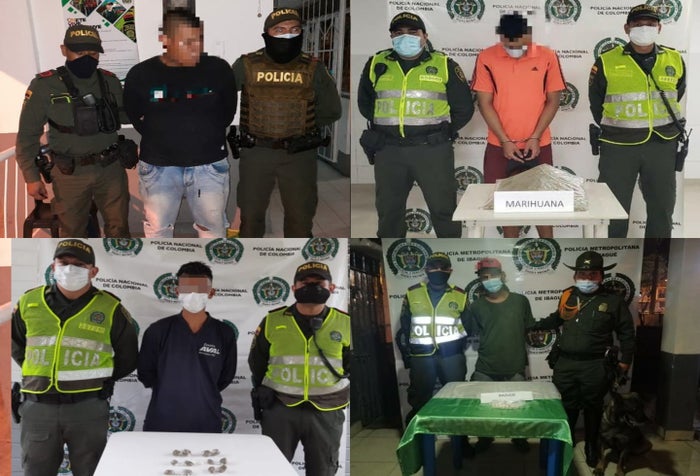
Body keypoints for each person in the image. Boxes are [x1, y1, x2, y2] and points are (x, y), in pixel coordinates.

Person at [11, 239, 138, 476]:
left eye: (79, 264)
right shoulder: (29, 302)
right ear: (53, 266)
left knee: (91, 470)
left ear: (93, 271)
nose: (70, 269)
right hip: (38, 407)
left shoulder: (110, 307)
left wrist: (99, 380)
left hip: (87, 408)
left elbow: (128, 357)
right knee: (35, 471)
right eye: (63, 262)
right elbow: (17, 346)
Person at [357, 11, 474, 238]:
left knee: (443, 209)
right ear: (391, 36)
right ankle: (391, 251)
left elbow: (464, 108)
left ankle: (450, 252)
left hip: (431, 149)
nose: (405, 37)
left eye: (412, 32)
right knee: (389, 211)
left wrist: (442, 132)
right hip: (388, 149)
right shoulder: (377, 63)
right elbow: (365, 103)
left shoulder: (444, 64)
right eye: (398, 33)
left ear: (424, 35)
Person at [124, 10, 237, 238]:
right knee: (158, 231)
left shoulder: (219, 70)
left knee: (212, 231)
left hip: (209, 165)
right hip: (158, 167)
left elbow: (228, 112)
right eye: (187, 42)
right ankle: (161, 263)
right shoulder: (141, 74)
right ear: (165, 39)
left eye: (198, 39)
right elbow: (133, 114)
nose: (196, 48)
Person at [231, 8, 342, 238]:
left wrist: (301, 127)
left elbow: (332, 110)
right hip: (257, 152)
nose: (287, 35)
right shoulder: (246, 64)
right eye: (280, 30)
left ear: (301, 33)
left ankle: (296, 259)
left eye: (294, 30)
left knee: (300, 220)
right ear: (267, 34)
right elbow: (223, 97)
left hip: (299, 155)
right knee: (250, 218)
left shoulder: (314, 67)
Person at [16, 24, 132, 237]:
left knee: (119, 228)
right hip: (70, 173)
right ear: (64, 50)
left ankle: (116, 260)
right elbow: (27, 135)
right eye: (79, 52)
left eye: (93, 53)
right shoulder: (45, 86)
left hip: (110, 168)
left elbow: (124, 115)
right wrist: (31, 177)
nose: (87, 58)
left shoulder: (110, 81)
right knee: (72, 231)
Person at [528, 251, 635, 468]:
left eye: (592, 274)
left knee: (593, 407)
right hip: (566, 364)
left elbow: (626, 333)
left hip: (595, 365)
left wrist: (625, 361)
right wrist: (534, 325)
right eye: (582, 274)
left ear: (601, 276)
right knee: (566, 405)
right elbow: (557, 318)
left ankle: (591, 446)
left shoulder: (613, 301)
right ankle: (565, 442)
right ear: (575, 276)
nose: (587, 278)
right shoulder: (568, 296)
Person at [589, 4, 685, 238]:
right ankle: (614, 258)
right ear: (627, 28)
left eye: (650, 24)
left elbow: (677, 93)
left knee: (662, 208)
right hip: (618, 146)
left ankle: (656, 259)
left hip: (662, 144)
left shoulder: (674, 59)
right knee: (613, 210)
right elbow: (596, 102)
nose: (644, 28)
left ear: (659, 28)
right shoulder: (606, 61)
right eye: (638, 24)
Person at [249, 261, 350, 476]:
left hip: (326, 410)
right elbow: (257, 362)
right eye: (305, 282)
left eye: (318, 283)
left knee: (323, 470)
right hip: (280, 407)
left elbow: (351, 365)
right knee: (274, 470)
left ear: (332, 288)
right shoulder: (272, 320)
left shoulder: (345, 323)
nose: (311, 286)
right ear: (294, 288)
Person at [471, 12, 566, 238]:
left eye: (519, 42)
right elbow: (484, 103)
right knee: (505, 208)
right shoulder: (486, 57)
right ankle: (510, 252)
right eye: (509, 43)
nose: (514, 48)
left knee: (544, 206)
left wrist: (535, 137)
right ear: (501, 37)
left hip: (539, 143)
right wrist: (504, 140)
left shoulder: (547, 56)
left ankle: (549, 247)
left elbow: (553, 100)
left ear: (528, 35)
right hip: (499, 145)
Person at [138, 261, 237, 432]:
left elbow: (225, 377)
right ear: (177, 292)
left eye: (200, 289)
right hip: (162, 421)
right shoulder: (158, 330)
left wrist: (203, 390)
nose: (193, 295)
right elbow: (146, 373)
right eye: (187, 289)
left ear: (211, 293)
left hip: (206, 421)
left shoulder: (224, 333)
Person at [465, 257, 536, 453]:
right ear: (480, 280)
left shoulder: (520, 301)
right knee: (482, 407)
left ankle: (519, 437)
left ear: (503, 276)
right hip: (486, 367)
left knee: (519, 408)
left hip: (514, 366)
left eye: (493, 275)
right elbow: (472, 331)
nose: (489, 280)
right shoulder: (476, 306)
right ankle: (485, 437)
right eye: (484, 277)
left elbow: (529, 328)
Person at [395, 252, 468, 425]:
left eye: (443, 267)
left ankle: (459, 437)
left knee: (456, 398)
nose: (438, 270)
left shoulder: (460, 294)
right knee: (419, 400)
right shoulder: (412, 293)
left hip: (451, 356)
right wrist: (409, 354)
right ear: (426, 269)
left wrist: (455, 345)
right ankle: (418, 437)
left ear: (450, 270)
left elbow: (469, 326)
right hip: (422, 357)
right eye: (434, 266)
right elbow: (405, 325)